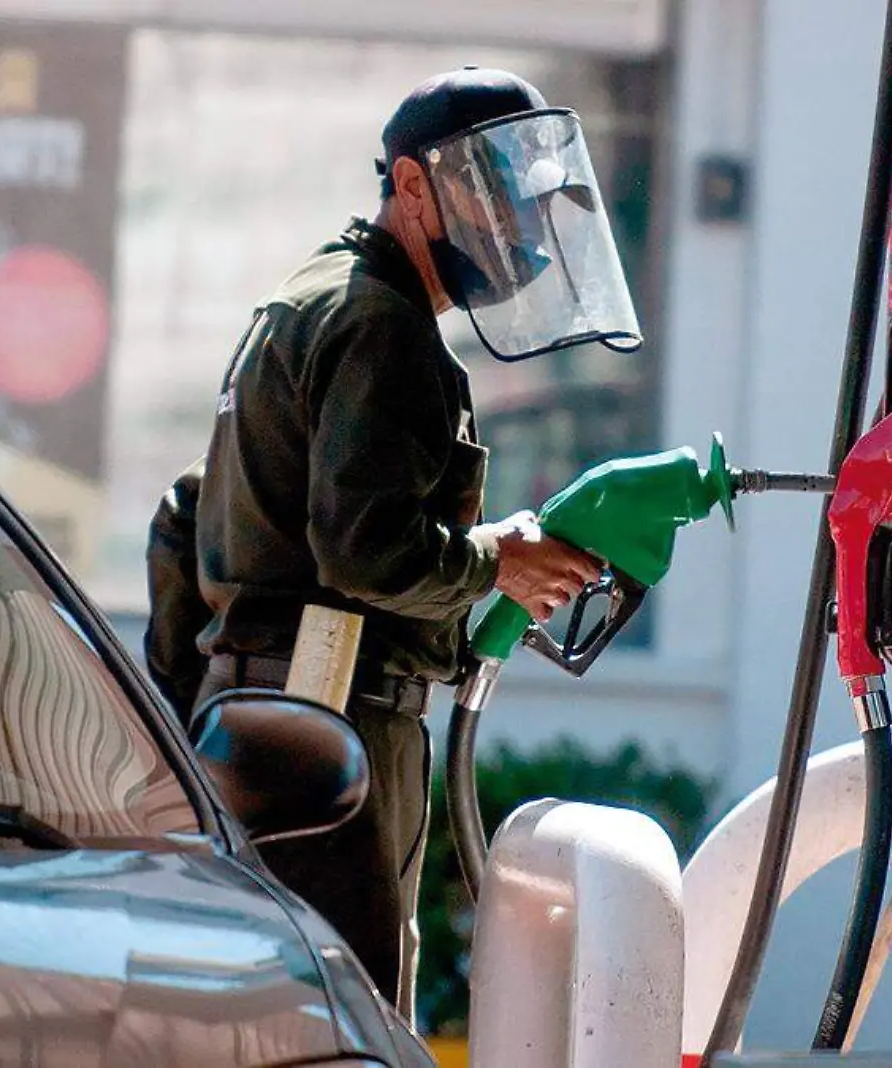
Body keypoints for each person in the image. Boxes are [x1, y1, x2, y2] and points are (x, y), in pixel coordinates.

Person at [143, 66, 644, 1017]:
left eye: (526, 200)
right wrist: (501, 559)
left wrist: (184, 708)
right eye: (490, 191)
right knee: (349, 1008)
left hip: (257, 710)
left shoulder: (308, 297)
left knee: (262, 1005)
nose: (518, 228)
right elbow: (366, 551)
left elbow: (187, 515)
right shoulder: (384, 327)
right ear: (411, 187)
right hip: (331, 718)